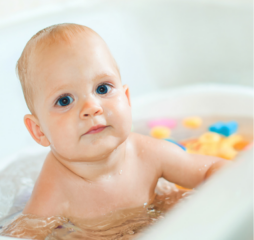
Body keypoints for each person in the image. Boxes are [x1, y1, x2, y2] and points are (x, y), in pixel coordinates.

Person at [16, 23, 227, 220]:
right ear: (39, 131)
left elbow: (216, 169)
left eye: (102, 88)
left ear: (126, 99)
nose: (91, 107)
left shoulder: (147, 153)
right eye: (64, 101)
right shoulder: (55, 189)